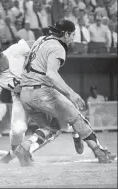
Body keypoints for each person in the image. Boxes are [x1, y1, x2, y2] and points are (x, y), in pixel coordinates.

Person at [14, 19, 116, 166]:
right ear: (66, 34)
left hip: (25, 94)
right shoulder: (57, 47)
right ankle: (101, 152)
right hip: (41, 92)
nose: (73, 38)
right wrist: (71, 93)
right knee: (78, 118)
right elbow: (51, 74)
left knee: (50, 128)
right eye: (72, 34)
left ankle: (25, 147)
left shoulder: (41, 39)